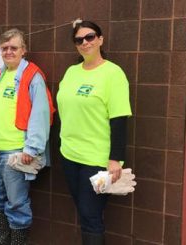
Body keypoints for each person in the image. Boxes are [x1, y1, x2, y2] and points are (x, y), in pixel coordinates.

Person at [56, 20, 132, 244]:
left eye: (90, 37)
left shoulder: (113, 73)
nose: (85, 42)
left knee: (90, 215)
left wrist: (115, 159)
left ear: (100, 39)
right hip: (69, 155)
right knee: (83, 211)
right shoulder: (71, 72)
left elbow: (119, 119)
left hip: (97, 159)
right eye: (79, 39)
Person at [0, 28, 55, 245]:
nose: (9, 51)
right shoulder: (1, 74)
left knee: (17, 203)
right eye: (4, 48)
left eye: (14, 47)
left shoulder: (33, 76)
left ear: (23, 50)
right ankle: (2, 237)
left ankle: (18, 242)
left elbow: (41, 114)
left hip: (15, 153)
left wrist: (32, 149)